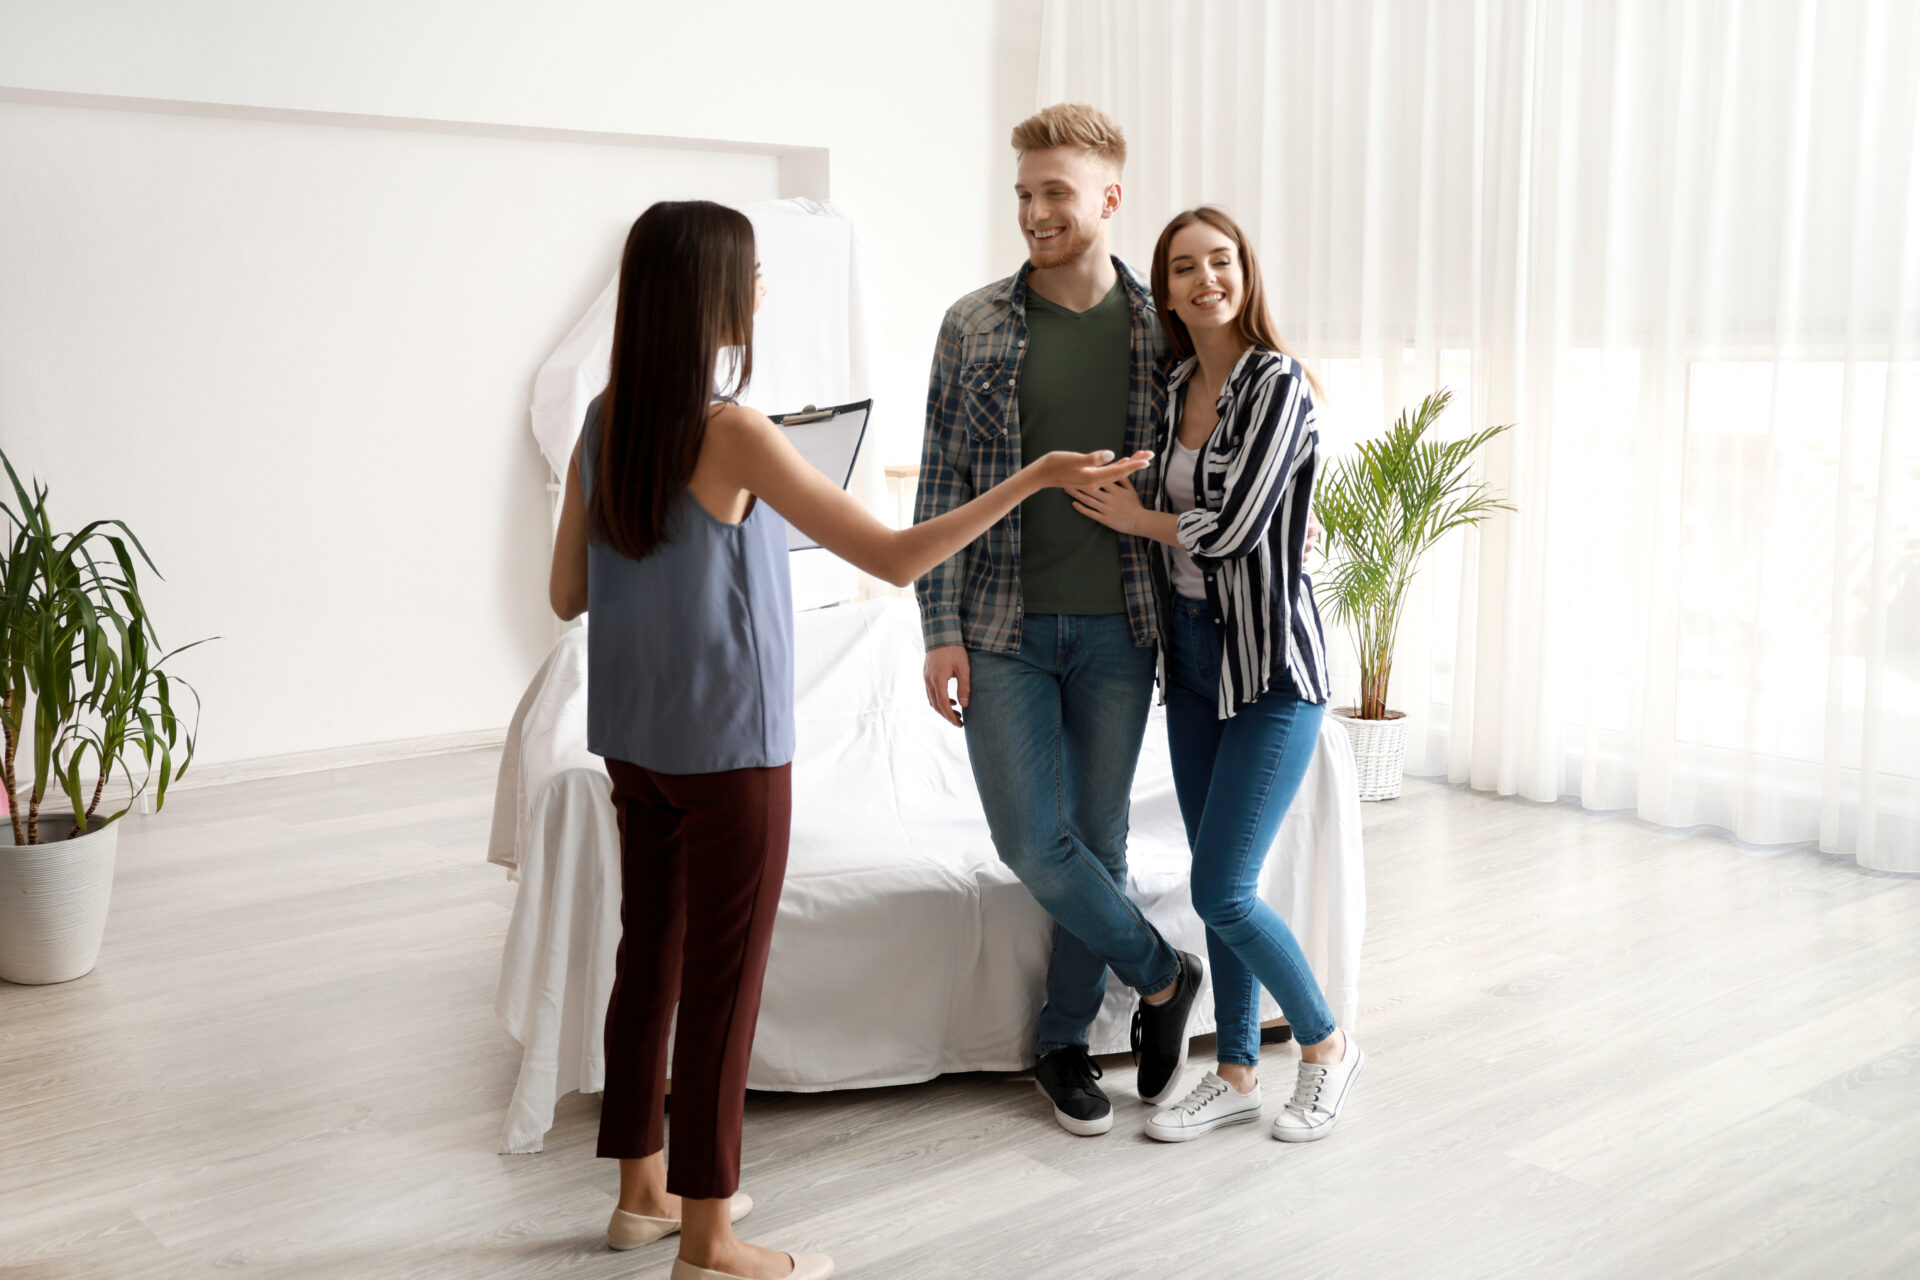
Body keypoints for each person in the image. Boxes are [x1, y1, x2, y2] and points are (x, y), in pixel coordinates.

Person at [548, 199, 1151, 1280]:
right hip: (728, 749)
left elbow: (562, 593)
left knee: (651, 957)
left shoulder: (606, 419)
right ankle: (710, 1237)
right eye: (756, 271)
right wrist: (1035, 477)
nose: (766, 287)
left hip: (635, 739)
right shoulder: (733, 429)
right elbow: (896, 559)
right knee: (722, 984)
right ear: (714, 292)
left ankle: (640, 1197)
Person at [913, 103, 1205, 1138]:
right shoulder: (973, 322)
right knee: (1034, 840)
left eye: (1056, 194)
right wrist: (936, 625)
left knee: (1103, 843)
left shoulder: (1156, 330)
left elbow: (1229, 426)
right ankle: (1165, 974)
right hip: (1001, 626)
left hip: (1123, 628)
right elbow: (942, 478)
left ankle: (1064, 1041)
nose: (1034, 212)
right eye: (1025, 193)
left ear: (1110, 200)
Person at [1070, 206, 1364, 1146]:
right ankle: (1236, 1070)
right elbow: (1178, 498)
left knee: (1222, 890)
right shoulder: (1175, 385)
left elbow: (1235, 528)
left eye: (1222, 261)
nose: (1207, 279)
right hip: (1193, 658)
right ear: (1166, 289)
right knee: (1211, 874)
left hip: (1273, 663)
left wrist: (1135, 521)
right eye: (1186, 267)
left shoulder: (1277, 381)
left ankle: (1325, 1047)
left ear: (1246, 273)